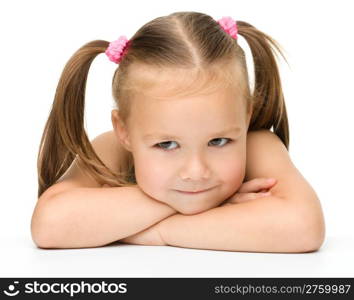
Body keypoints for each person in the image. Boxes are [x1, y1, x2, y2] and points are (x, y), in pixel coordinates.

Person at [31, 11, 325, 252]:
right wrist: (212, 208)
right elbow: (49, 225)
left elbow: (304, 227)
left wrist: (157, 232)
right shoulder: (114, 148)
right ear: (125, 131)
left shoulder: (258, 144)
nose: (196, 172)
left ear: (245, 118)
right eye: (167, 145)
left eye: (219, 141)